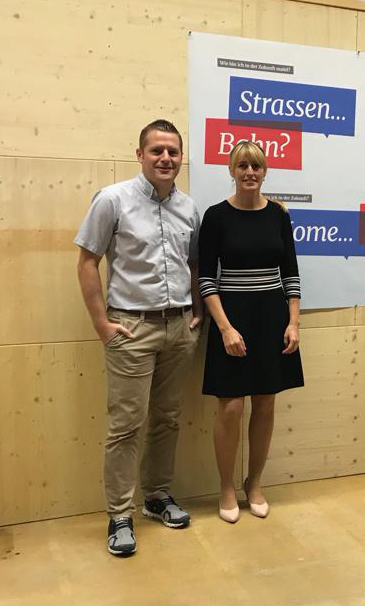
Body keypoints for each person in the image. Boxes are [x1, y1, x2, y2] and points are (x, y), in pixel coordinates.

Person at [75, 119, 202, 557]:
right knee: (126, 425)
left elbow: (193, 264)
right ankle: (119, 515)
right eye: (157, 151)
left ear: (181, 158)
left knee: (167, 418)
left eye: (173, 152)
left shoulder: (188, 207)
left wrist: (196, 311)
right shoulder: (113, 200)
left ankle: (157, 497)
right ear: (140, 155)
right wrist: (101, 325)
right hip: (131, 328)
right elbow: (87, 262)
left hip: (179, 328)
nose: (166, 158)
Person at [198, 140, 304, 523]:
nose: (249, 172)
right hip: (231, 320)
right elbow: (206, 279)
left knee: (266, 403)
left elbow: (290, 274)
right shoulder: (215, 216)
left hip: (271, 319)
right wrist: (225, 328)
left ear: (264, 171)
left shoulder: (278, 215)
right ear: (232, 170)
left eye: (256, 166)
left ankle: (253, 483)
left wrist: (293, 322)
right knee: (230, 408)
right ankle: (226, 487)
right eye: (242, 166)